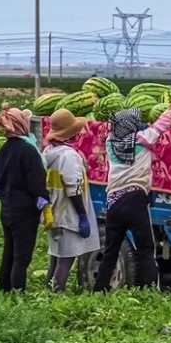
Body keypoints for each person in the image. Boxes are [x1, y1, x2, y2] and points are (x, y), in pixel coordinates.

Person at [93, 86, 171, 292]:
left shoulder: (111, 142)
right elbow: (165, 123)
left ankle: (99, 289)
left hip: (114, 203)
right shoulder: (143, 140)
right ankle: (150, 290)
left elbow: (116, 130)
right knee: (146, 250)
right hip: (135, 200)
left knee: (111, 250)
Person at [43, 108, 100, 292]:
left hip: (55, 212)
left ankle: (49, 293)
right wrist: (82, 215)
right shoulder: (69, 156)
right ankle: (56, 295)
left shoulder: (49, 152)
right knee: (65, 260)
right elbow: (73, 187)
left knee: (56, 257)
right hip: (68, 215)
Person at [0, 106, 48, 292]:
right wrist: (44, 204)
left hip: (7, 209)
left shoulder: (3, 151)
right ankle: (17, 294)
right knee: (22, 257)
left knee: (9, 253)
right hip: (24, 212)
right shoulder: (28, 151)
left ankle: (5, 292)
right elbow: (37, 183)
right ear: (22, 124)